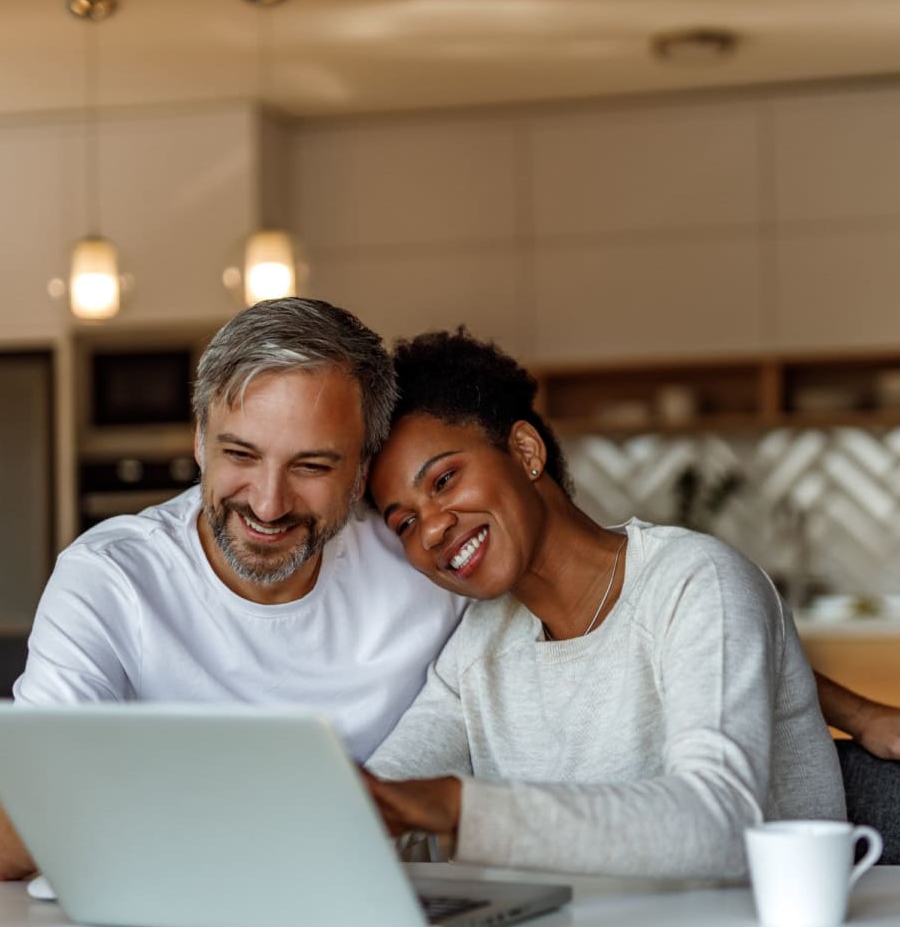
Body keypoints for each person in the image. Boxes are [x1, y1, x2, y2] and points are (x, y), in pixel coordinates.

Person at [0, 297, 467, 881]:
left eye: (311, 467)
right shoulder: (111, 579)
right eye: (240, 454)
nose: (268, 503)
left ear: (360, 471)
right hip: (170, 922)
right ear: (201, 439)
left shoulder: (428, 571)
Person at [363, 329, 847, 877]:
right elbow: (385, 796)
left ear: (525, 451)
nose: (431, 530)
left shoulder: (696, 582)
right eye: (404, 522)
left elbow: (722, 821)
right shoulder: (477, 648)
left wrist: (457, 808)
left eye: (445, 480)